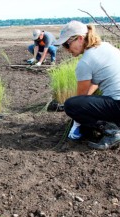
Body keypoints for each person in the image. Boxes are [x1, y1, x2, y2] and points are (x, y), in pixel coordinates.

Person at [54, 20, 120, 150]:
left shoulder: (85, 62)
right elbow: (94, 85)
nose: (66, 50)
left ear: (80, 38)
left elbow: (80, 99)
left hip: (118, 105)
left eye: (67, 44)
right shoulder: (106, 46)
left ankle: (112, 131)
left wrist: (77, 120)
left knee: (71, 105)